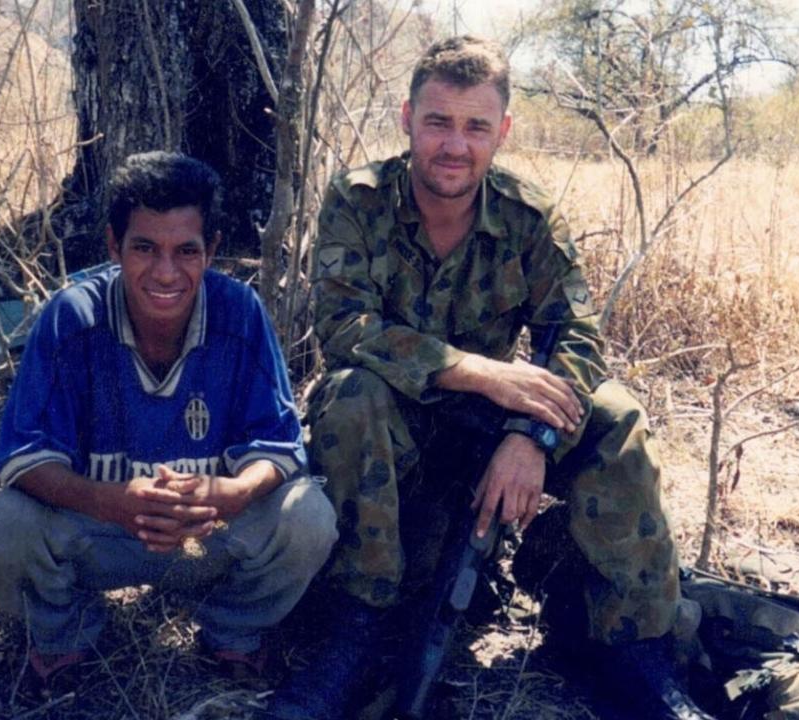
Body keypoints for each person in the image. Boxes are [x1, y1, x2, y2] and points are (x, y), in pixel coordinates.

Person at [263, 36, 711, 719]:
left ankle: (630, 645)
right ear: (407, 117)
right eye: (438, 121)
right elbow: (344, 328)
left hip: (496, 428)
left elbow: (579, 334)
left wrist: (530, 435)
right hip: (400, 421)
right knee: (351, 394)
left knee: (617, 415)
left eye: (475, 127)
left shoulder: (527, 215)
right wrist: (477, 372)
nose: (454, 145)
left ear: (501, 132)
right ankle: (357, 631)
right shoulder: (358, 200)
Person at [0, 151, 337, 684]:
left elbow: (278, 451)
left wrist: (228, 494)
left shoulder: (240, 313)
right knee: (2, 529)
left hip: (206, 531)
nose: (165, 272)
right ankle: (67, 638)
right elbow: (23, 460)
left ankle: (232, 633)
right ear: (115, 247)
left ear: (211, 250)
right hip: (101, 528)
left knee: (308, 517)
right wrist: (112, 502)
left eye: (186, 250)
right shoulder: (73, 316)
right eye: (145, 248)